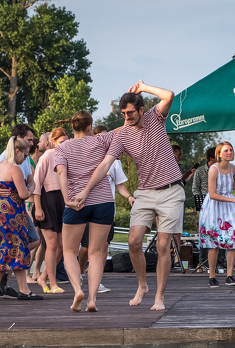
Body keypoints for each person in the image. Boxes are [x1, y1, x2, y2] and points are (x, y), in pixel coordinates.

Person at [75, 80, 184, 311]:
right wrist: (86, 190)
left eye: (130, 113)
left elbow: (169, 94)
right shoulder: (122, 135)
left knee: (164, 244)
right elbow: (105, 164)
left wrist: (144, 87)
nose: (126, 117)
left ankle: (159, 297)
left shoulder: (156, 117)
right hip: (144, 192)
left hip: (171, 190)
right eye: (123, 113)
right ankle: (142, 285)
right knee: (134, 242)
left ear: (141, 110)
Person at [53, 111, 122, 312]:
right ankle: (92, 299)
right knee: (97, 252)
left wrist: (67, 199)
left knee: (69, 251)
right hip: (103, 201)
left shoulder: (62, 147)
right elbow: (122, 129)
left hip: (76, 202)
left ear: (73, 127)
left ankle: (77, 290)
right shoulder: (101, 140)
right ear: (90, 127)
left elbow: (61, 173)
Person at [0, 136, 42, 300]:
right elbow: (23, 194)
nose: (26, 158)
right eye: (25, 155)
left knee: (8, 243)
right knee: (16, 245)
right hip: (12, 212)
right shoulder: (15, 170)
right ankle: (21, 289)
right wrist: (29, 189)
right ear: (17, 151)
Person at [77, 125, 133, 294]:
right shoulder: (87, 157)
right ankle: (79, 273)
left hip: (107, 210)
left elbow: (120, 184)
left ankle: (97, 281)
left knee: (103, 247)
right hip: (89, 207)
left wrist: (129, 196)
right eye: (101, 137)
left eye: (107, 137)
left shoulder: (114, 161)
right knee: (87, 247)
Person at [198, 141, 235, 287]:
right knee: (214, 244)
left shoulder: (232, 168)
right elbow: (212, 194)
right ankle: (212, 276)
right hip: (214, 206)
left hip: (229, 205)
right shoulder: (213, 169)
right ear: (219, 154)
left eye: (231, 150)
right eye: (226, 150)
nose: (230, 152)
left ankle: (230, 275)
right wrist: (233, 199)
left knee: (232, 241)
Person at [32, 127, 68, 294]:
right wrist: (38, 207)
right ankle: (52, 284)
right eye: (61, 142)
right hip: (47, 199)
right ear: (53, 142)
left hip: (62, 200)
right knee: (51, 244)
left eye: (66, 142)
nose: (64, 145)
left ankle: (43, 277)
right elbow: (36, 184)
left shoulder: (68, 156)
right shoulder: (48, 155)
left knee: (61, 246)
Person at [28, 134, 50, 283]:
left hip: (41, 202)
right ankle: (26, 273)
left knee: (43, 241)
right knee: (34, 238)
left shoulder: (40, 161)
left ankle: (37, 271)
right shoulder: (28, 163)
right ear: (37, 149)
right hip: (30, 204)